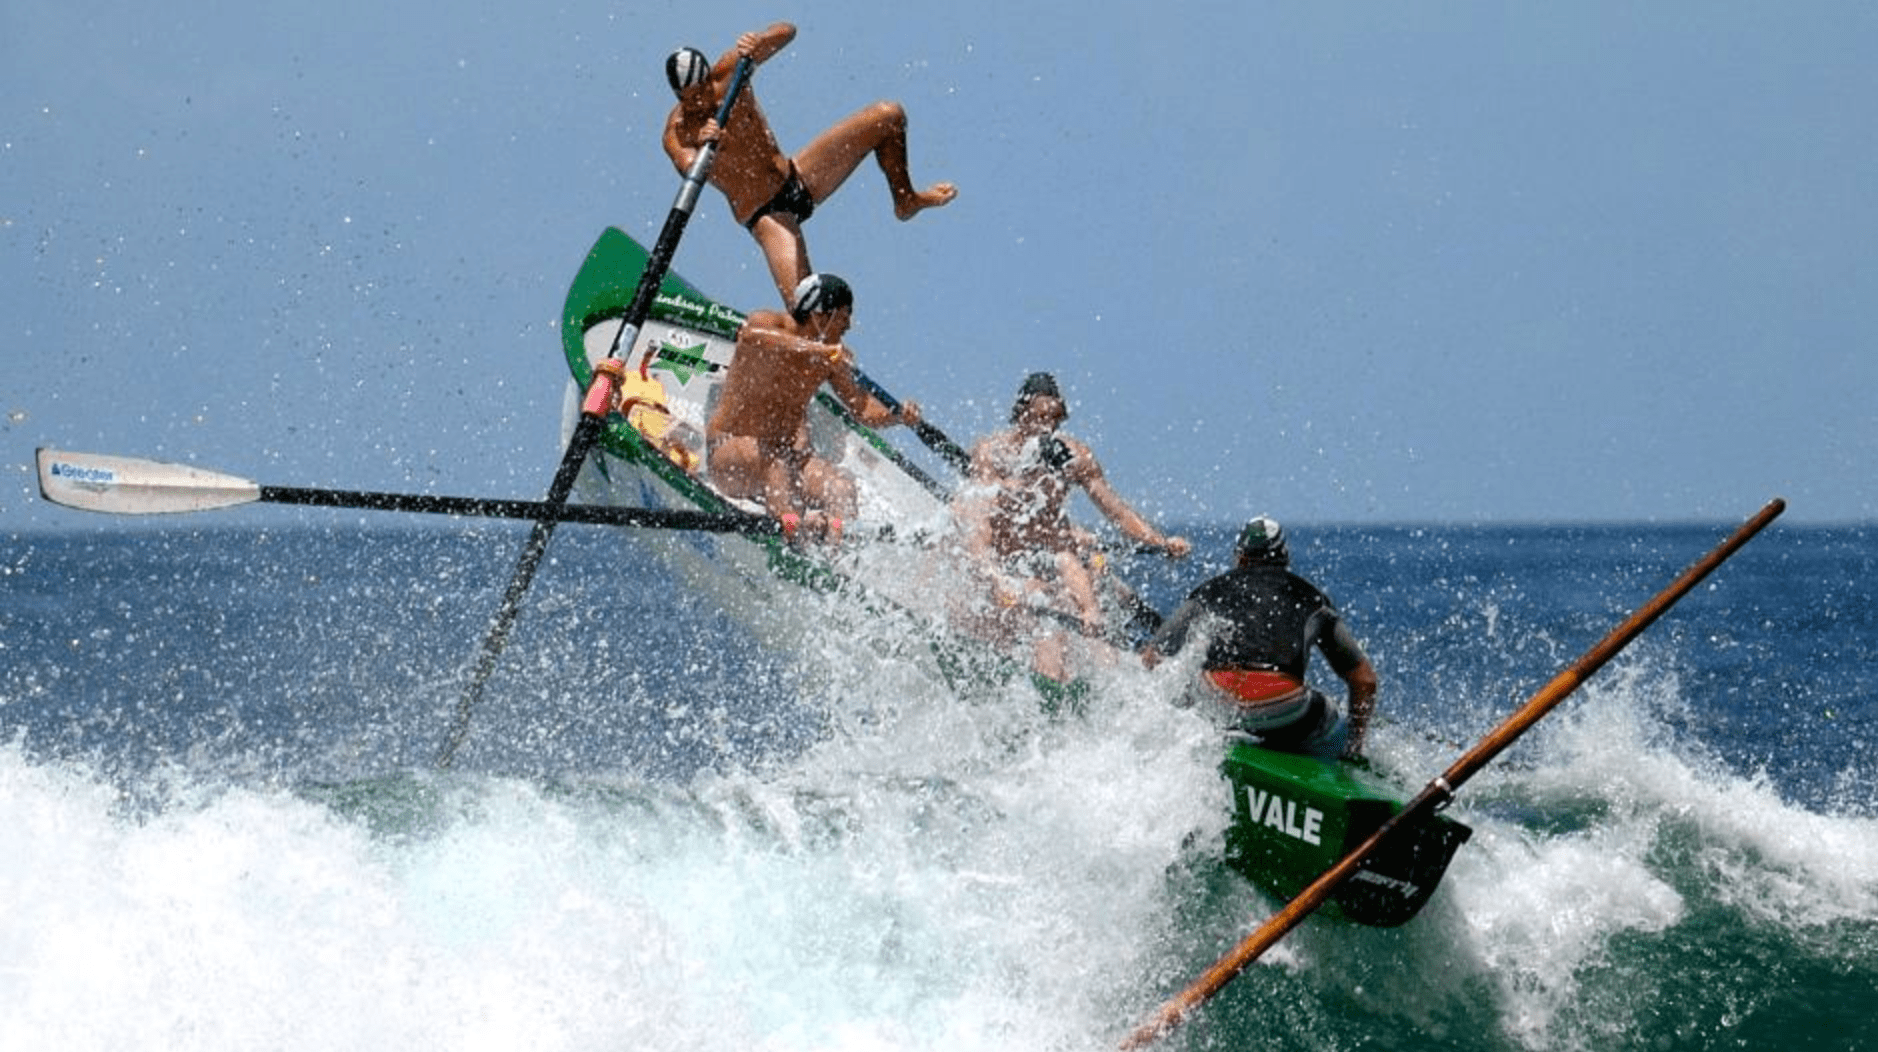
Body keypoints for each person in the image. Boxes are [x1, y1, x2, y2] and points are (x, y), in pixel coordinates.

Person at [663, 24, 959, 307]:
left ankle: (906, 200)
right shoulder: (678, 132)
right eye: (689, 100)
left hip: (799, 175)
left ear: (708, 78)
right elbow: (688, 167)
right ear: (677, 97)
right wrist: (705, 147)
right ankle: (808, 352)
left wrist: (762, 41)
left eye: (701, 92)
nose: (699, 103)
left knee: (889, 116)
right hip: (766, 214)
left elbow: (788, 31)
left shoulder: (730, 72)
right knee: (807, 308)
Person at [953, 372, 1190, 681]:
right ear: (1021, 413)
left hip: (1050, 560)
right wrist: (994, 576)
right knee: (1011, 606)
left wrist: (1160, 542)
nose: (1047, 425)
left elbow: (1116, 511)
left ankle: (1107, 679)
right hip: (1000, 559)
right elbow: (977, 517)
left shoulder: (1074, 457)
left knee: (1094, 583)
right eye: (1040, 416)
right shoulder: (992, 452)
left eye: (1054, 417)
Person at [705, 273, 920, 542]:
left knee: (841, 487)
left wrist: (898, 415)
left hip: (788, 461)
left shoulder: (830, 355)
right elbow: (750, 336)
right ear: (820, 315)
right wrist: (819, 351)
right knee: (775, 465)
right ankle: (793, 529)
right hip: (731, 456)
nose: (848, 326)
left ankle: (839, 555)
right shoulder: (768, 325)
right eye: (844, 316)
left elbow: (862, 408)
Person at [1142, 517, 1377, 762]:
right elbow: (1364, 679)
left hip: (1217, 702)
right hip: (1283, 708)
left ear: (1240, 557)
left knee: (1189, 687)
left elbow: (1151, 658)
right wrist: (1356, 742)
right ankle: (1341, 764)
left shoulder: (1210, 590)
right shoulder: (1311, 598)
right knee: (1334, 718)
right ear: (1284, 558)